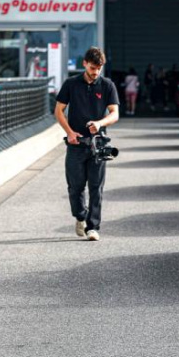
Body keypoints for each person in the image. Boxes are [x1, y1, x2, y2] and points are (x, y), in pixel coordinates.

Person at [54, 46, 120, 242]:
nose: (95, 72)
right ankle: (80, 216)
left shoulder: (108, 85)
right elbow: (58, 111)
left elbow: (115, 114)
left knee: (96, 187)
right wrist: (70, 132)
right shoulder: (71, 84)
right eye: (92, 68)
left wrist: (99, 123)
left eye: (99, 68)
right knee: (75, 187)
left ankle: (93, 227)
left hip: (98, 144)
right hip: (75, 143)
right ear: (84, 64)